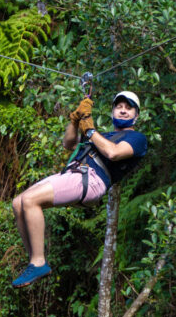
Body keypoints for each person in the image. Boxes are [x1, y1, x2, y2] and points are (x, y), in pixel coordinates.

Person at [11, 90, 148, 288]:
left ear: (137, 115)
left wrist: (90, 130)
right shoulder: (105, 135)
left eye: (129, 108)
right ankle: (34, 260)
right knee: (18, 203)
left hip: (91, 179)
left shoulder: (137, 139)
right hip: (73, 173)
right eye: (119, 107)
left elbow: (113, 153)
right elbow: (68, 143)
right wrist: (75, 120)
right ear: (113, 112)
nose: (123, 111)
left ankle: (39, 261)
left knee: (30, 200)